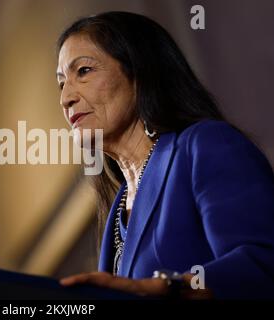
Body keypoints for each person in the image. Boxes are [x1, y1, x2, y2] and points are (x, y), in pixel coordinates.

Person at [55, 11, 274, 299]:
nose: (65, 98)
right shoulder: (118, 205)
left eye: (83, 71)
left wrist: (169, 288)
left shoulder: (205, 145)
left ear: (140, 72)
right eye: (61, 83)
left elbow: (262, 264)